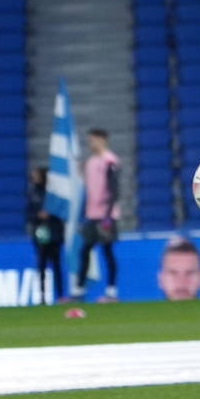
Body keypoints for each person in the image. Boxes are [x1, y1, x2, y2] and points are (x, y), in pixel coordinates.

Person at [74, 128, 120, 301]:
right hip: (92, 215)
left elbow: (114, 189)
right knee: (85, 250)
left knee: (107, 251)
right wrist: (82, 215)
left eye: (92, 140)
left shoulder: (109, 160)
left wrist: (108, 215)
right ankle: (79, 290)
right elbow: (88, 190)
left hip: (106, 215)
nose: (90, 143)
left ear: (103, 140)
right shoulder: (90, 162)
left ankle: (111, 291)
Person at [25, 166, 64, 303]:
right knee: (41, 264)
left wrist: (51, 215)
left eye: (36, 174)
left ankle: (60, 295)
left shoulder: (54, 193)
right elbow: (28, 213)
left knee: (56, 264)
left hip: (54, 231)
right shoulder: (33, 193)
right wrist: (37, 215)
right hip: (41, 230)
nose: (33, 177)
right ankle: (42, 296)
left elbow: (62, 212)